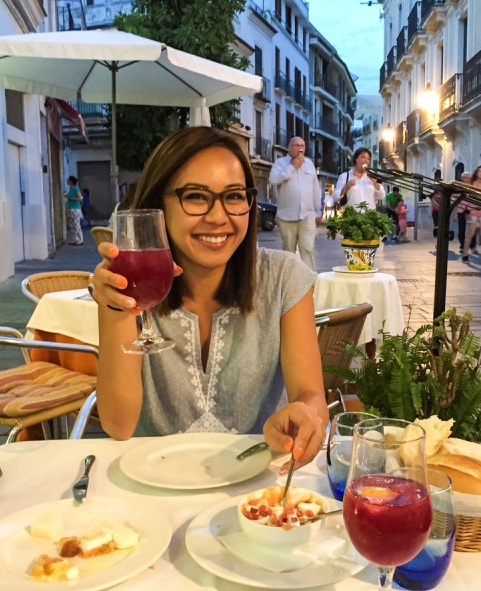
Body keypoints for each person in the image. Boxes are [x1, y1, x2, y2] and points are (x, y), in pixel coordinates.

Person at [91, 127, 328, 473]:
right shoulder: (133, 284)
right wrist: (115, 312)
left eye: (234, 196)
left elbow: (311, 395)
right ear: (158, 205)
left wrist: (307, 415)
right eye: (196, 197)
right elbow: (118, 424)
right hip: (151, 489)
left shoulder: (283, 278)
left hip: (252, 496)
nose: (218, 217)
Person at [269, 137, 322, 271]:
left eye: (303, 145)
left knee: (307, 248)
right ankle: (289, 281)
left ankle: (311, 282)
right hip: (286, 216)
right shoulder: (281, 163)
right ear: (289, 147)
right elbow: (273, 179)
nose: (300, 148)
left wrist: (318, 211)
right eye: (297, 145)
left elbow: (315, 189)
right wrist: (292, 167)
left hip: (307, 215)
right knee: (288, 251)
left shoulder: (309, 164)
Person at [455, 172, 478, 254]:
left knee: (472, 230)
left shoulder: (473, 187)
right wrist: (455, 213)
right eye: (462, 177)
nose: (463, 179)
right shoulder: (459, 187)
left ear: (469, 178)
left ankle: (473, 246)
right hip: (460, 211)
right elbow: (456, 201)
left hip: (471, 211)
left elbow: (474, 199)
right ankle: (462, 246)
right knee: (461, 230)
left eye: (465, 177)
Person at [63, 176, 83, 245]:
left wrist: (69, 197)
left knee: (76, 224)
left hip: (75, 209)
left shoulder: (75, 188)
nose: (67, 180)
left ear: (71, 181)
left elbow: (80, 198)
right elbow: (68, 197)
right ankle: (75, 239)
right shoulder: (70, 189)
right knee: (72, 225)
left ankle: (80, 240)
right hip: (70, 208)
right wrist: (65, 195)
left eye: (68, 180)